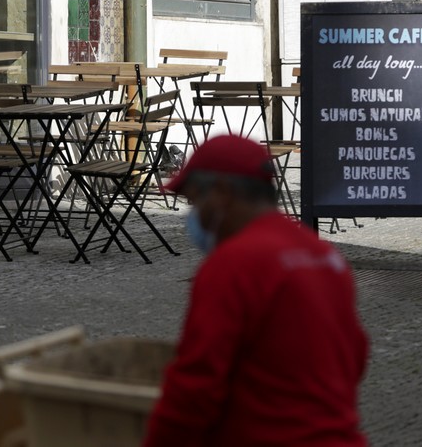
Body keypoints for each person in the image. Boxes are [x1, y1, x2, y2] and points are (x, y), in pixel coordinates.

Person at [143, 135, 369, 447]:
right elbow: (355, 354)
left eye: (195, 201)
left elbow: (195, 385)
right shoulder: (324, 255)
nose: (193, 216)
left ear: (221, 192)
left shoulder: (232, 265)